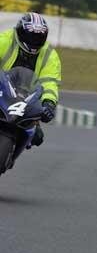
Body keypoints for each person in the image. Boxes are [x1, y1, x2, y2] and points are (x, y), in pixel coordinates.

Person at [0, 12, 62, 152]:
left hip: (26, 99)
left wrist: (49, 103)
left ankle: (10, 154)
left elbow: (50, 82)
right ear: (19, 32)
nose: (33, 40)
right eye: (30, 35)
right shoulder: (4, 40)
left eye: (38, 36)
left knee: (37, 136)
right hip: (1, 89)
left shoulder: (49, 55)